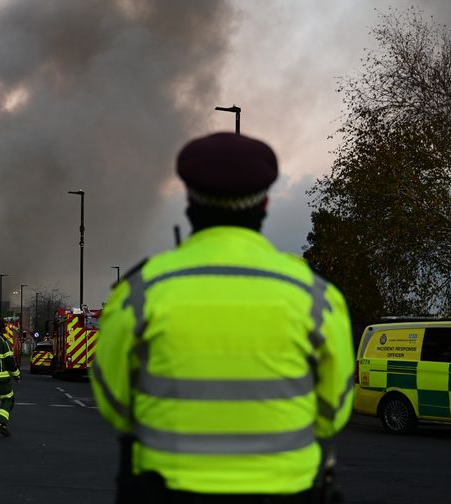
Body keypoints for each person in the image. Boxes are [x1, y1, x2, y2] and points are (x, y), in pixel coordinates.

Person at [90, 132, 355, 504]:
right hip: (286, 489)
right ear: (264, 205)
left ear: (189, 203)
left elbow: (113, 402)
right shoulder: (316, 296)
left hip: (167, 489)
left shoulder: (139, 292)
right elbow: (334, 411)